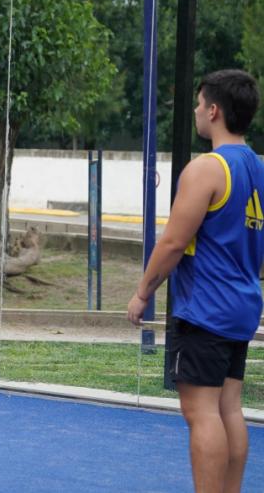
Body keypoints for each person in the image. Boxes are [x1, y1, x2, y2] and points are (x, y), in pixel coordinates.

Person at [127, 69, 261, 493]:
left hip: (205, 308)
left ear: (214, 110)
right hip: (241, 304)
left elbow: (172, 242)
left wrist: (143, 291)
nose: (197, 111)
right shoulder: (258, 168)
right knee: (229, 408)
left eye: (200, 104)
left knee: (201, 412)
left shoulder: (207, 169)